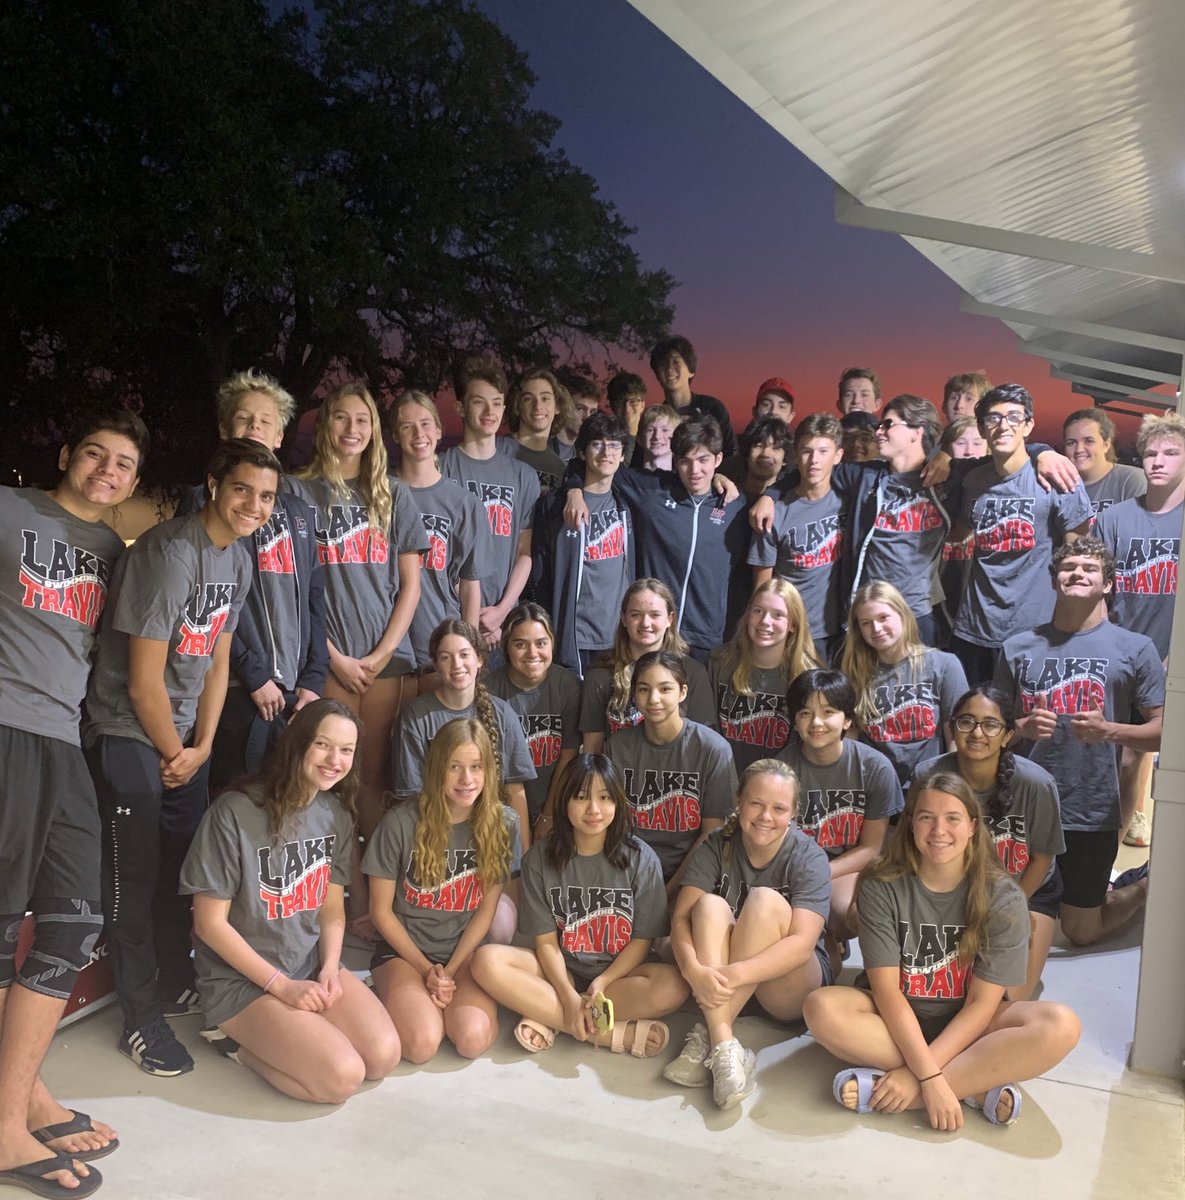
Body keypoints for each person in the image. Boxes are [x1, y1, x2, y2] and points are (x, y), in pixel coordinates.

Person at [85, 438, 278, 1077]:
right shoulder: (170, 553)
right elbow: (141, 682)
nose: (254, 504)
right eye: (243, 488)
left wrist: (201, 747)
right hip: (129, 733)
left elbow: (219, 658)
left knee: (179, 876)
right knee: (133, 883)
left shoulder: (239, 558)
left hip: (181, 744)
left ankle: (172, 982)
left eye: (267, 495)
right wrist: (176, 751)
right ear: (215, 483)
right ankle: (139, 1018)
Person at [0, 410, 147, 1196]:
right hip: (4, 729)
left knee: (72, 918)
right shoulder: (9, 511)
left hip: (63, 740)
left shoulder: (110, 554)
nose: (107, 469)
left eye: (123, 463)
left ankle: (17, 1097)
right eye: (95, 452)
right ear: (65, 454)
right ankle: (6, 1124)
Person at [803, 772, 1081, 1131]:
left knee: (1061, 1025)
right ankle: (973, 1086)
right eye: (926, 817)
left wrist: (923, 1080)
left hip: (972, 1023)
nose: (938, 830)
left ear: (972, 827)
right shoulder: (881, 884)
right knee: (821, 1007)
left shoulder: (1003, 896)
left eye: (952, 818)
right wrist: (931, 1074)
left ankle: (902, 1089)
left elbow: (982, 1005)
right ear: (911, 824)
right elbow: (886, 992)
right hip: (894, 1019)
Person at [180, 700, 398, 1101]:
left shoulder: (335, 813)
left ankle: (302, 1030)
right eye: (323, 745)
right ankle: (231, 1043)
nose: (335, 760)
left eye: (346, 750)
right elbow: (208, 924)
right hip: (243, 983)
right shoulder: (234, 812)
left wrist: (331, 968)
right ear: (297, 744)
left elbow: (332, 907)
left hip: (308, 965)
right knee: (341, 1078)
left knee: (383, 1056)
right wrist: (282, 988)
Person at [995, 539, 1163, 947]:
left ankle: (1142, 886)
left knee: (1081, 930)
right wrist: (1022, 726)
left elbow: (1165, 730)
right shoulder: (1016, 647)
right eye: (1068, 566)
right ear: (1054, 580)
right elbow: (984, 730)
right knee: (1003, 915)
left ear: (1107, 585)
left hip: (1090, 807)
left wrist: (1110, 731)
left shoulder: (1135, 648)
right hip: (1022, 804)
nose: (1078, 573)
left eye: (1090, 568)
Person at [471, 756, 688, 1055]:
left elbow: (642, 940)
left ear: (618, 803)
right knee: (486, 961)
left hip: (619, 977)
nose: (593, 810)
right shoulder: (539, 859)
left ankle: (551, 1018)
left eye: (604, 797)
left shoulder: (641, 858)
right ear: (564, 801)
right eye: (581, 797)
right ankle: (608, 1033)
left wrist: (603, 981)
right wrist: (568, 996)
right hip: (559, 970)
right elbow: (546, 943)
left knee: (674, 986)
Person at [177, 369, 329, 792]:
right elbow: (210, 601)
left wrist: (314, 681)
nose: (255, 428)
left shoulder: (299, 511)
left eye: (265, 421)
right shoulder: (201, 502)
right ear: (225, 430)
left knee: (285, 803)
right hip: (236, 688)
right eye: (244, 420)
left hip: (294, 694)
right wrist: (255, 674)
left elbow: (314, 598)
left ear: (280, 436)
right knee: (234, 799)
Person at [285, 382, 426, 835]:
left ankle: (368, 893)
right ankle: (323, 884)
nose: (352, 428)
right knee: (321, 777)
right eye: (342, 417)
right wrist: (331, 656)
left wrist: (383, 654)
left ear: (374, 430)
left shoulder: (393, 494)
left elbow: (410, 586)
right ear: (326, 424)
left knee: (374, 777)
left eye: (362, 420)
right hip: (324, 661)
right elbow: (291, 590)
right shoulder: (298, 492)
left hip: (383, 662)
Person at [664, 759, 831, 1110]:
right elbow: (680, 919)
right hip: (722, 983)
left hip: (783, 987)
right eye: (756, 803)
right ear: (739, 801)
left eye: (779, 808)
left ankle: (708, 1036)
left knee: (764, 900)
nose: (765, 816)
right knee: (707, 905)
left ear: (794, 813)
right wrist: (693, 970)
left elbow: (802, 945)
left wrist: (729, 974)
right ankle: (725, 1044)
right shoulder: (717, 844)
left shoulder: (807, 856)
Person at [364, 719, 518, 1063]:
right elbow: (381, 912)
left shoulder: (504, 823)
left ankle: (433, 1003)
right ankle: (388, 994)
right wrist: (425, 970)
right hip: (404, 953)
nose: (467, 780)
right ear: (437, 769)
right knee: (421, 1044)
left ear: (489, 771)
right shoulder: (401, 822)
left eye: (476, 767)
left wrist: (450, 970)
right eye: (455, 767)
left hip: (463, 952)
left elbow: (486, 910)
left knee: (472, 1040)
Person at [913, 686, 1064, 1000]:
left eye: (990, 725)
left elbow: (1041, 859)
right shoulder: (929, 776)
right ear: (952, 727)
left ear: (1008, 735)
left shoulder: (1036, 784)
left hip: (1026, 891)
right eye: (966, 722)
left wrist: (1014, 910)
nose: (977, 733)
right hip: (954, 891)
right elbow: (919, 847)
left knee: (1008, 999)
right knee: (942, 994)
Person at [563, 416, 750, 663]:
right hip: (653, 632)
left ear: (718, 459)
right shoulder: (652, 490)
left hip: (707, 637)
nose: (695, 471)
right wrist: (574, 488)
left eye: (703, 460)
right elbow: (595, 464)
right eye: (685, 461)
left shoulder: (735, 505)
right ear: (675, 461)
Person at [950, 383, 1092, 684]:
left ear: (1028, 426)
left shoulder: (1057, 477)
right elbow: (956, 532)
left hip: (1035, 631)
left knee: (1030, 724)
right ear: (983, 428)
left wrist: (1073, 626)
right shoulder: (973, 482)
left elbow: (1079, 556)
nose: (1003, 425)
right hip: (974, 630)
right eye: (994, 418)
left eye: (1014, 417)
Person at [1095, 411, 1184, 848]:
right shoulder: (1114, 519)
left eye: (1171, 453)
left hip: (1171, 656)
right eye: (1151, 453)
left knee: (1135, 755)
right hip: (1123, 652)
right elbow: (1102, 592)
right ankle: (1106, 848)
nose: (1159, 461)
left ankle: (1116, 844)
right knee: (1115, 753)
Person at [778, 670, 903, 940]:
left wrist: (824, 872)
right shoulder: (780, 769)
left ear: (847, 719)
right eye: (805, 713)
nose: (816, 722)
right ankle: (826, 954)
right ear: (795, 722)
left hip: (848, 866)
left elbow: (872, 847)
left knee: (846, 911)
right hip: (793, 869)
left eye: (828, 711)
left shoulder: (874, 767)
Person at [391, 620, 535, 847]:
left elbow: (515, 789)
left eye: (464, 654)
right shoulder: (416, 716)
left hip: (490, 834)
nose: (456, 664)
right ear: (436, 664)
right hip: (437, 835)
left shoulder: (502, 713)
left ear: (479, 659)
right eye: (446, 657)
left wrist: (523, 854)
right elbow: (413, 796)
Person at [606, 651, 738, 896]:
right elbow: (611, 826)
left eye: (665, 689)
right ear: (634, 694)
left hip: (693, 872)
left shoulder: (712, 749)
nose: (654, 698)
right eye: (644, 689)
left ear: (683, 692)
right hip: (629, 871)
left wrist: (668, 892)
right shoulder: (618, 746)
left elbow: (713, 832)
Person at [440, 357, 541, 655]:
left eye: (497, 403)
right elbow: (437, 550)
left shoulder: (523, 475)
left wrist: (500, 612)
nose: (489, 412)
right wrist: (473, 612)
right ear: (460, 407)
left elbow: (525, 552)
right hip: (450, 611)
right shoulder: (442, 468)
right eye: (479, 402)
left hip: (503, 622)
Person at [390, 391, 488, 686]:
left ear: (439, 429)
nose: (418, 434)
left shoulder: (465, 504)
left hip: (439, 640)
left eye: (425, 424)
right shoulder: (380, 491)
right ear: (395, 435)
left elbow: (470, 586)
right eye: (407, 426)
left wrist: (468, 649)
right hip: (385, 642)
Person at [532, 412, 634, 674]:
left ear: (623, 454)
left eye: (614, 445)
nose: (606, 452)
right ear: (582, 452)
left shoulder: (627, 505)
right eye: (597, 444)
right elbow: (540, 572)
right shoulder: (555, 506)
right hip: (572, 636)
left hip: (617, 636)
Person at [841, 582, 968, 785]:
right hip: (875, 787)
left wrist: (950, 787)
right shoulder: (854, 674)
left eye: (883, 618)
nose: (876, 628)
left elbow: (956, 738)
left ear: (902, 614)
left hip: (929, 785)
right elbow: (849, 742)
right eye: (866, 623)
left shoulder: (944, 665)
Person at [577, 578, 715, 753]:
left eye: (655, 615)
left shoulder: (693, 672)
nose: (645, 623)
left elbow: (702, 744)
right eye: (635, 614)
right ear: (624, 618)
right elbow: (592, 749)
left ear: (669, 619)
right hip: (618, 775)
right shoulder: (600, 674)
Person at [488, 604, 582, 841]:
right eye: (520, 644)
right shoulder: (489, 689)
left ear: (552, 644)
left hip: (553, 804)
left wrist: (548, 816)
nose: (532, 653)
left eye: (541, 643)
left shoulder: (568, 687)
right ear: (506, 647)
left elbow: (568, 756)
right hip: (501, 808)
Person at [708, 578, 820, 773]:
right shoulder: (719, 662)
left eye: (778, 615)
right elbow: (707, 732)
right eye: (758, 611)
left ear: (792, 624)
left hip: (779, 786)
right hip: (721, 779)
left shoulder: (808, 676)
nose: (765, 622)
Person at [649, 334, 738, 456]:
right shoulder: (655, 417)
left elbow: (731, 452)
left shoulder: (712, 408)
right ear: (657, 375)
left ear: (691, 371)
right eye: (664, 363)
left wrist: (719, 475)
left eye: (676, 362)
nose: (669, 368)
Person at [1062, 407, 1146, 520]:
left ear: (1106, 445)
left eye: (1089, 441)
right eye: (1071, 443)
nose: (1079, 449)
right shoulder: (1060, 486)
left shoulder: (1131, 480)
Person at [507, 368, 571, 499]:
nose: (538, 406)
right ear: (517, 406)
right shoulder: (496, 450)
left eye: (545, 398)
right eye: (528, 399)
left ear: (557, 406)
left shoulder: (559, 468)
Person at [720, 416, 791, 502]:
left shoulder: (789, 502)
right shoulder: (724, 494)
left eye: (775, 448)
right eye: (759, 446)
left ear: (785, 459)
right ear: (747, 452)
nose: (765, 454)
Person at [606, 370, 648, 464]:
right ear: (612, 407)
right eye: (620, 402)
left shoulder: (652, 438)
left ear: (642, 405)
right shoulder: (606, 442)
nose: (627, 408)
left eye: (633, 401)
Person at [635, 403, 682, 472]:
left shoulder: (684, 481)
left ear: (677, 437)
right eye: (650, 430)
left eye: (665, 430)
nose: (657, 436)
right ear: (639, 438)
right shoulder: (627, 479)